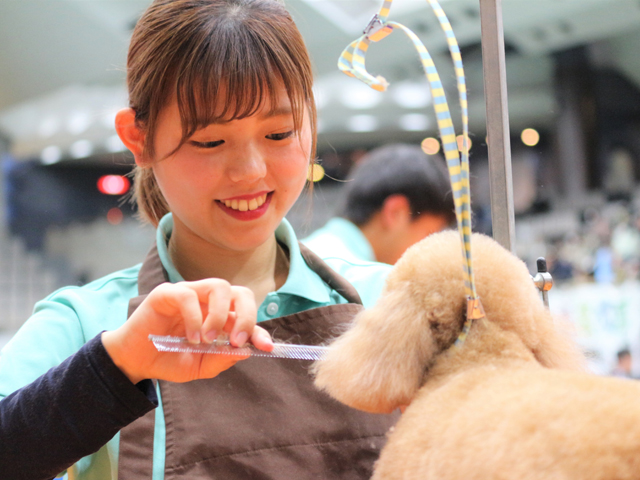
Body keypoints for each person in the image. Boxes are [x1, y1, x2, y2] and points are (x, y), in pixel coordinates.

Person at [0, 1, 399, 478]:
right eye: (210, 142)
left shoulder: (392, 304)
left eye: (278, 133)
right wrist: (117, 364)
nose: (250, 171)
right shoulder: (85, 323)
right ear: (138, 138)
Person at [303, 144, 455, 264]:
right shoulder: (362, 279)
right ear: (396, 212)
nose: (429, 251)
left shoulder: (305, 254)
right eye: (428, 234)